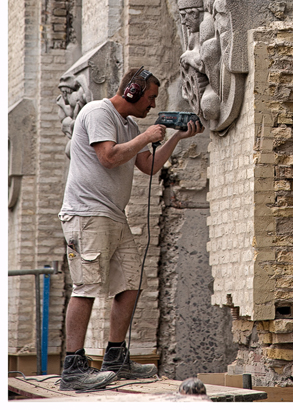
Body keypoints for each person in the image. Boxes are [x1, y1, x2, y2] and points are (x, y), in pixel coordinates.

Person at [58, 67, 204, 392]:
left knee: (131, 282)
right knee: (87, 286)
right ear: (133, 92)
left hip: (113, 216)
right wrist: (147, 136)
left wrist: (177, 136)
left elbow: (149, 166)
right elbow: (108, 157)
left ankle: (115, 357)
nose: (152, 106)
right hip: (87, 214)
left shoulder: (129, 124)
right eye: (150, 98)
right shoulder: (99, 112)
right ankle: (73, 365)